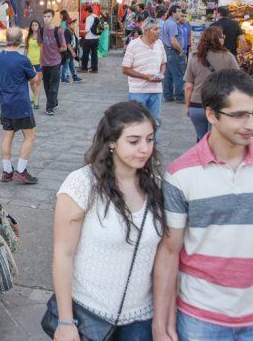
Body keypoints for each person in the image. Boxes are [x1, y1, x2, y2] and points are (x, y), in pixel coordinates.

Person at [153, 69, 253, 341]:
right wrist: (162, 320)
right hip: (200, 313)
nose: (250, 124)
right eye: (239, 115)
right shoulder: (180, 174)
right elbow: (170, 249)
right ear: (211, 115)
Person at [52, 101, 166, 341]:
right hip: (88, 315)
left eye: (150, 139)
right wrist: (65, 321)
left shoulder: (156, 184)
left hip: (141, 320)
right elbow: (63, 254)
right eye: (134, 141)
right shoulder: (82, 184)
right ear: (112, 142)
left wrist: (162, 320)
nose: (144, 149)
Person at [0, 27, 41, 184]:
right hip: (20, 103)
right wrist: (34, 71)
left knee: (8, 135)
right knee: (30, 135)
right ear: (21, 40)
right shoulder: (23, 60)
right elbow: (35, 79)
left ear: (6, 39)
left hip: (6, 103)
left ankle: (7, 171)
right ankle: (21, 171)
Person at [183, 26, 239, 141]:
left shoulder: (195, 57)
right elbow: (237, 80)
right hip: (219, 104)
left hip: (197, 105)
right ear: (217, 39)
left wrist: (188, 106)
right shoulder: (228, 57)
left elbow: (189, 86)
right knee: (215, 141)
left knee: (201, 139)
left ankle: (201, 156)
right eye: (222, 36)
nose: (224, 38)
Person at [122, 18, 166, 133]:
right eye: (155, 29)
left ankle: (152, 148)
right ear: (146, 31)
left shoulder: (160, 44)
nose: (158, 31)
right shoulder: (133, 45)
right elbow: (125, 69)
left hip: (156, 91)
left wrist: (161, 74)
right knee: (137, 123)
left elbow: (163, 64)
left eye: (159, 29)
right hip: (138, 91)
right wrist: (145, 77)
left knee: (154, 122)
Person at [39, 9, 67, 116]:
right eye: (44, 16)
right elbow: (41, 45)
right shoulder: (41, 31)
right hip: (45, 62)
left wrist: (55, 51)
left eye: (48, 16)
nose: (46, 18)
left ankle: (49, 107)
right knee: (46, 86)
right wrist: (40, 60)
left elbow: (64, 47)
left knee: (54, 85)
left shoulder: (58, 31)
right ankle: (54, 102)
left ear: (53, 17)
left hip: (56, 61)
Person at [160, 5, 186, 103]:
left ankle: (168, 95)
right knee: (178, 75)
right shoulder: (172, 24)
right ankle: (179, 96)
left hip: (168, 51)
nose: (181, 13)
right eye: (178, 11)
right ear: (173, 13)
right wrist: (181, 51)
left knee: (169, 75)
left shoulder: (169, 22)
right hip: (173, 51)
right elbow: (173, 40)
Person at [60, 10, 84, 84]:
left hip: (70, 53)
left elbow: (74, 41)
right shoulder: (67, 32)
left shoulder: (72, 32)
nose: (74, 25)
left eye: (74, 24)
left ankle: (75, 77)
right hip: (68, 52)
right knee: (65, 65)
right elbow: (67, 44)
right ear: (68, 25)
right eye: (72, 24)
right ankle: (63, 78)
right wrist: (72, 51)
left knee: (71, 65)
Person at [25, 20, 44, 109]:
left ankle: (36, 100)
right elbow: (26, 48)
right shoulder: (28, 37)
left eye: (36, 25)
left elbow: (42, 49)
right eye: (33, 25)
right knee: (31, 82)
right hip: (29, 62)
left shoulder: (41, 37)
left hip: (38, 62)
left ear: (39, 26)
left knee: (38, 82)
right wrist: (24, 59)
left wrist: (41, 60)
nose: (34, 26)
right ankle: (34, 95)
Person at [81, 5, 101, 73]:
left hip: (89, 39)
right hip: (96, 39)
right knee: (94, 54)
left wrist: (80, 31)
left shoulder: (88, 18)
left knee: (85, 53)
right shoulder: (96, 17)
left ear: (87, 11)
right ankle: (94, 69)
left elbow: (87, 30)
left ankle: (84, 68)